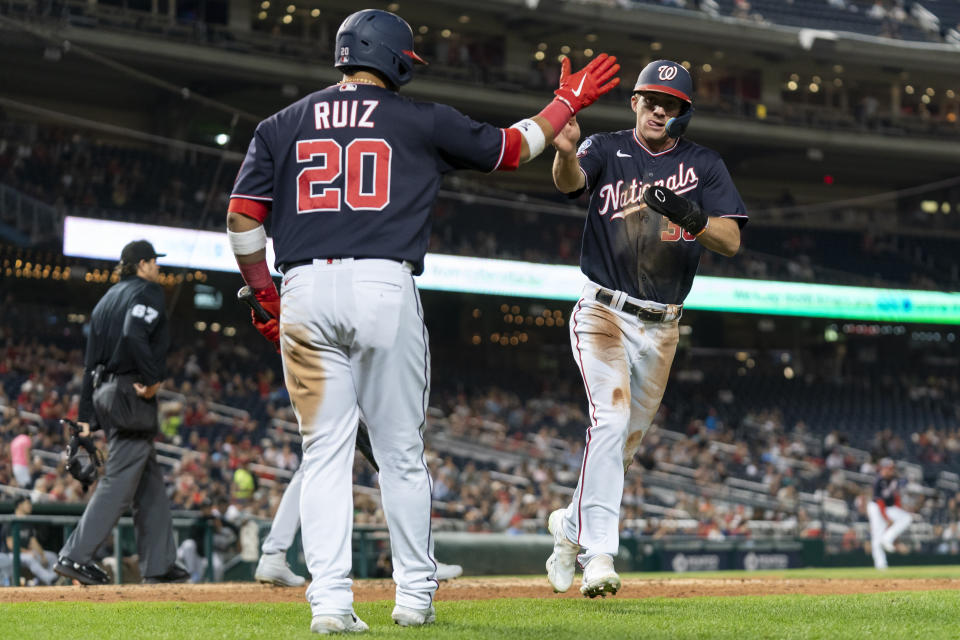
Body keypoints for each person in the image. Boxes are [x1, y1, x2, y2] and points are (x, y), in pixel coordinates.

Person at [226, 8, 619, 633]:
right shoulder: (419, 118)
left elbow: (242, 220)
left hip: (303, 285)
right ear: (392, 58)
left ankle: (329, 605)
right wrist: (566, 101)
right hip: (383, 285)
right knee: (401, 453)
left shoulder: (281, 123)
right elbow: (513, 148)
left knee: (323, 454)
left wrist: (264, 293)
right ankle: (413, 596)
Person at [547, 59, 748, 598]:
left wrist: (692, 216)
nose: (660, 108)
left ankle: (570, 527)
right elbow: (571, 185)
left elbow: (730, 241)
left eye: (672, 103)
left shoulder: (703, 164)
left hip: (663, 325)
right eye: (651, 99)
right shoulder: (605, 147)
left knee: (625, 447)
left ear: (683, 112)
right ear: (634, 101)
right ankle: (600, 557)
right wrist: (565, 151)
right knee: (609, 425)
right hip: (604, 310)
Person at [54, 240, 188, 586]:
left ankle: (160, 563)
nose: (157, 268)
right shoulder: (148, 291)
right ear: (142, 264)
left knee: (149, 482)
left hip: (105, 393)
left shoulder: (104, 303)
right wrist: (153, 379)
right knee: (118, 480)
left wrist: (85, 418)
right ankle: (75, 555)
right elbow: (133, 333)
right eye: (154, 262)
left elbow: (88, 367)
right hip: (131, 393)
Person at [254, 463, 462, 588]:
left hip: (323, 393)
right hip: (361, 391)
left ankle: (274, 553)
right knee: (401, 457)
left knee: (313, 462)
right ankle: (422, 561)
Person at [866, 458, 913, 569]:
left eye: (891, 468)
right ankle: (881, 565)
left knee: (907, 518)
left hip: (888, 507)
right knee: (877, 536)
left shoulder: (894, 479)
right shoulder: (878, 481)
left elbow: (896, 498)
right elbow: (880, 502)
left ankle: (887, 538)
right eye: (888, 468)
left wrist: (897, 513)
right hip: (876, 507)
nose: (890, 471)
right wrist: (887, 519)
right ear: (882, 469)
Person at [2, 496, 59, 585]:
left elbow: (33, 542)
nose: (30, 506)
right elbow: (11, 545)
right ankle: (50, 579)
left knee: (51, 556)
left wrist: (42, 555)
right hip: (10, 555)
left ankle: (55, 580)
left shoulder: (27, 521)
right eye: (27, 503)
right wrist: (27, 552)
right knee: (30, 557)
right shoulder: (11, 521)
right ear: (20, 505)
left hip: (26, 553)